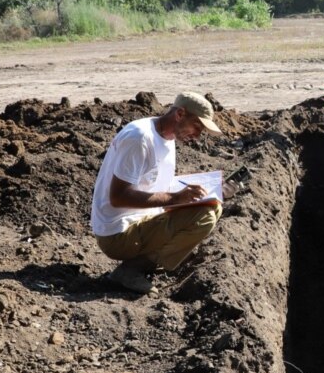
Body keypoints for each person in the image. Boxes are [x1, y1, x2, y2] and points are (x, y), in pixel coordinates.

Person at [90, 92, 224, 294]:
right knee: (204, 218)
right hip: (117, 232)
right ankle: (131, 270)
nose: (197, 136)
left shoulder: (167, 138)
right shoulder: (140, 138)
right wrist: (177, 198)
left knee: (215, 207)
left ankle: (152, 258)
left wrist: (209, 192)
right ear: (180, 114)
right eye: (197, 126)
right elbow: (118, 197)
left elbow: (157, 187)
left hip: (139, 220)